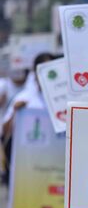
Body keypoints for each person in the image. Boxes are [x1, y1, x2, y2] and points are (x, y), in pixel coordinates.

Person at [1, 52, 54, 186]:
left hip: (55, 165)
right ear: (35, 73)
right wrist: (15, 112)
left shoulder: (64, 101)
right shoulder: (24, 98)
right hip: (29, 166)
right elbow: (5, 132)